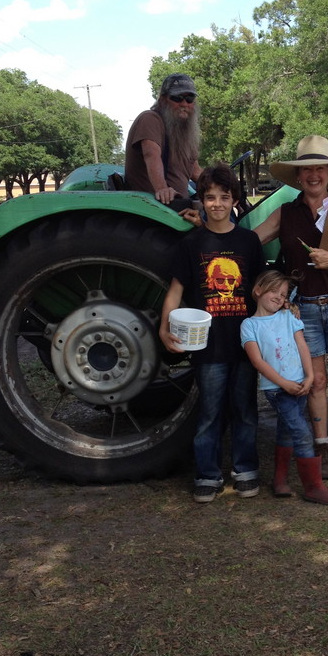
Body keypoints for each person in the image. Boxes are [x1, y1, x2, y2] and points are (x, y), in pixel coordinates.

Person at [254, 135, 328, 483]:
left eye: (319, 168)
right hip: (302, 307)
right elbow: (251, 239)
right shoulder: (286, 213)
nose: (313, 175)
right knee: (316, 380)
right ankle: (320, 448)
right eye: (306, 169)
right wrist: (211, 227)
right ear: (298, 176)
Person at [159, 163, 266, 504]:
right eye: (210, 197)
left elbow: (262, 289)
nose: (217, 203)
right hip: (208, 346)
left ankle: (246, 469)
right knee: (209, 412)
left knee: (246, 409)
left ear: (234, 200)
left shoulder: (248, 241)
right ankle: (207, 474)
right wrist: (164, 327)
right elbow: (175, 291)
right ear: (201, 201)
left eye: (224, 197)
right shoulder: (192, 245)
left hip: (245, 343)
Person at [241, 271, 328, 506]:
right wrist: (283, 383)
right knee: (302, 433)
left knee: (286, 431)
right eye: (273, 291)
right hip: (278, 390)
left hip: (300, 385)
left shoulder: (288, 316)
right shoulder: (249, 325)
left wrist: (309, 376)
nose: (279, 297)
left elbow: (302, 346)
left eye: (284, 294)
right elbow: (258, 361)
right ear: (257, 290)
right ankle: (314, 487)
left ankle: (280, 481)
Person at [125, 73, 202, 208]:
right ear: (162, 100)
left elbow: (196, 172)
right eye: (177, 98)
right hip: (156, 206)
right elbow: (151, 155)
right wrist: (162, 188)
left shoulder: (183, 132)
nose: (184, 103)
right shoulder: (150, 119)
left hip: (180, 204)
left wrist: (224, 187)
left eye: (189, 99)